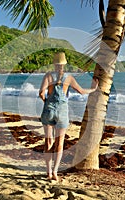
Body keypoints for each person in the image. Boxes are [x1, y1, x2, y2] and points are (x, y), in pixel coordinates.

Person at [39, 52, 98, 181]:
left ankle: (48, 173)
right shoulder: (69, 78)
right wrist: (93, 89)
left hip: (49, 110)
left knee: (48, 142)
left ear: (55, 64)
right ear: (64, 65)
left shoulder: (48, 76)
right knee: (59, 144)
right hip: (62, 112)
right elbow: (81, 91)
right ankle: (55, 172)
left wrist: (47, 102)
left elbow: (41, 93)